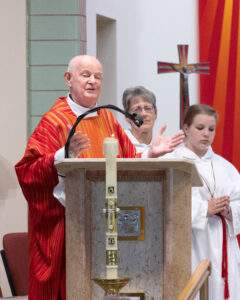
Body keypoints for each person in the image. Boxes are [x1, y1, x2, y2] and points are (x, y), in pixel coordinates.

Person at [15, 55, 184, 300]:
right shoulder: (55, 121)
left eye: (98, 77)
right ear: (68, 78)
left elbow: (127, 162)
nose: (93, 81)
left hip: (106, 226)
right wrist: (63, 155)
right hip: (70, 228)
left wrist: (150, 153)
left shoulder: (105, 117)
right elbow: (27, 171)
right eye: (86, 75)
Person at [163, 104, 240, 299]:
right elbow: (166, 205)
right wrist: (205, 209)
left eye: (211, 129)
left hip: (223, 245)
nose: (206, 134)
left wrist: (229, 210)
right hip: (191, 243)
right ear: (186, 128)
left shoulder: (226, 167)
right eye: (200, 128)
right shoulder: (172, 163)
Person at [122, 85, 184, 155]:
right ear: (127, 117)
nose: (143, 114)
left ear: (155, 113)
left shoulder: (164, 146)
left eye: (147, 108)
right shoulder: (119, 142)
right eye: (137, 109)